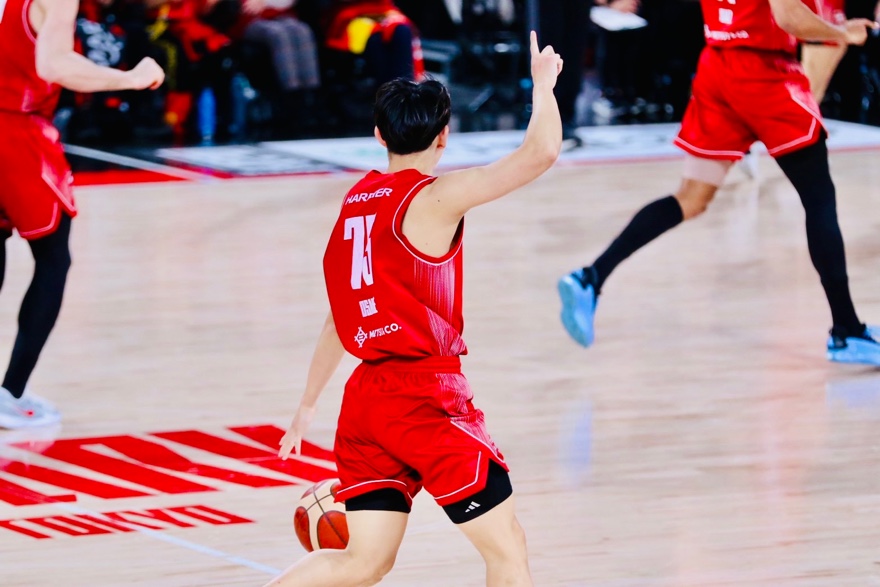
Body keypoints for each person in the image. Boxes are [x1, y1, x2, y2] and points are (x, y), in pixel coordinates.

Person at [266, 31, 562, 587]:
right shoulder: (433, 196)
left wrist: (307, 404)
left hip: (365, 400)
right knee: (508, 549)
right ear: (444, 137)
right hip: (422, 398)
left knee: (364, 561)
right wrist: (542, 87)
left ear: (378, 135)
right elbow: (540, 154)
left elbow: (338, 316)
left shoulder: (356, 202)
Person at [557, 0, 880, 366]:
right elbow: (790, 17)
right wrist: (842, 33)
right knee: (819, 197)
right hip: (764, 72)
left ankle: (591, 277)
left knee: (690, 198)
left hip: (718, 67)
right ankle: (846, 330)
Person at [0, 0, 164, 428]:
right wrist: (129, 78)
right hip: (16, 130)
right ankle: (10, 393)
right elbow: (54, 64)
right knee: (53, 259)